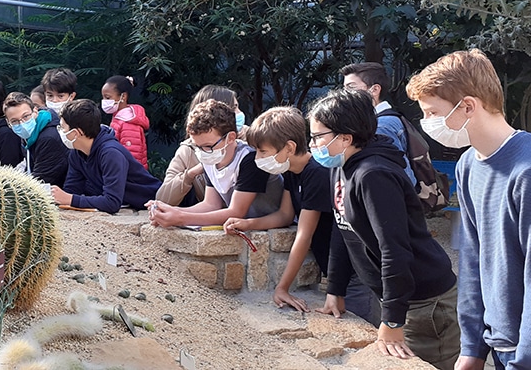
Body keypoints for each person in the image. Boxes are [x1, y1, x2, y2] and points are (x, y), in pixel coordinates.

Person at [307, 89, 459, 370]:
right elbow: (344, 231)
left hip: (423, 302)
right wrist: (335, 291)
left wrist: (392, 320)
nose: (313, 144)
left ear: (345, 137)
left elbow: (395, 249)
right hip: (395, 297)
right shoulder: (341, 166)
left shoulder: (374, 174)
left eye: (318, 136)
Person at [406, 49, 530, 370]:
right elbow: (473, 258)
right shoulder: (468, 166)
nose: (427, 123)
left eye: (433, 113)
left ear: (468, 106)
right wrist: (471, 346)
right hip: (500, 345)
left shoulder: (526, 171)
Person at [236, 107, 337, 311]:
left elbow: (304, 234)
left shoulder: (316, 173)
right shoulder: (292, 171)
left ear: (289, 148)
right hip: (330, 266)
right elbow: (285, 215)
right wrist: (246, 223)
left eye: (263, 151)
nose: (258, 158)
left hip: (348, 275)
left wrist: (282, 288)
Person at [148, 99, 285, 228]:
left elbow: (237, 212)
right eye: (198, 146)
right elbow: (211, 204)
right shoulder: (211, 158)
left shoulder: (250, 159)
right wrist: (169, 211)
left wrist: (180, 218)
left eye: (208, 146)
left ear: (231, 137)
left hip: (271, 223)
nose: (202, 152)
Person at [51, 99, 160, 214]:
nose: (60, 132)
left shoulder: (111, 153)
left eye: (63, 128)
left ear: (76, 133)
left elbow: (111, 202)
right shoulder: (76, 153)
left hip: (151, 204)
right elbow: (72, 189)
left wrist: (70, 199)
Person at [156, 85, 243, 207]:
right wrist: (190, 174)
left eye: (237, 107)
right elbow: (163, 199)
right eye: (234, 108)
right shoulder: (189, 150)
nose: (239, 113)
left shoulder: (252, 141)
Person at [340, 62, 416, 185]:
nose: (345, 93)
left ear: (375, 89)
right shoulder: (381, 120)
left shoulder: (382, 125)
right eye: (344, 88)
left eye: (351, 87)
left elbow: (403, 174)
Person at [2, 92, 68, 186]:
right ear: (8, 123)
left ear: (35, 111)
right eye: (14, 121)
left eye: (25, 116)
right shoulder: (28, 136)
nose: (22, 123)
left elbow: (41, 179)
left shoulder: (48, 138)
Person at [102, 75, 149, 170]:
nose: (104, 101)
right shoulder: (120, 117)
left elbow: (132, 157)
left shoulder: (129, 124)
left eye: (107, 97)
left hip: (129, 178)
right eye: (103, 97)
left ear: (123, 96)